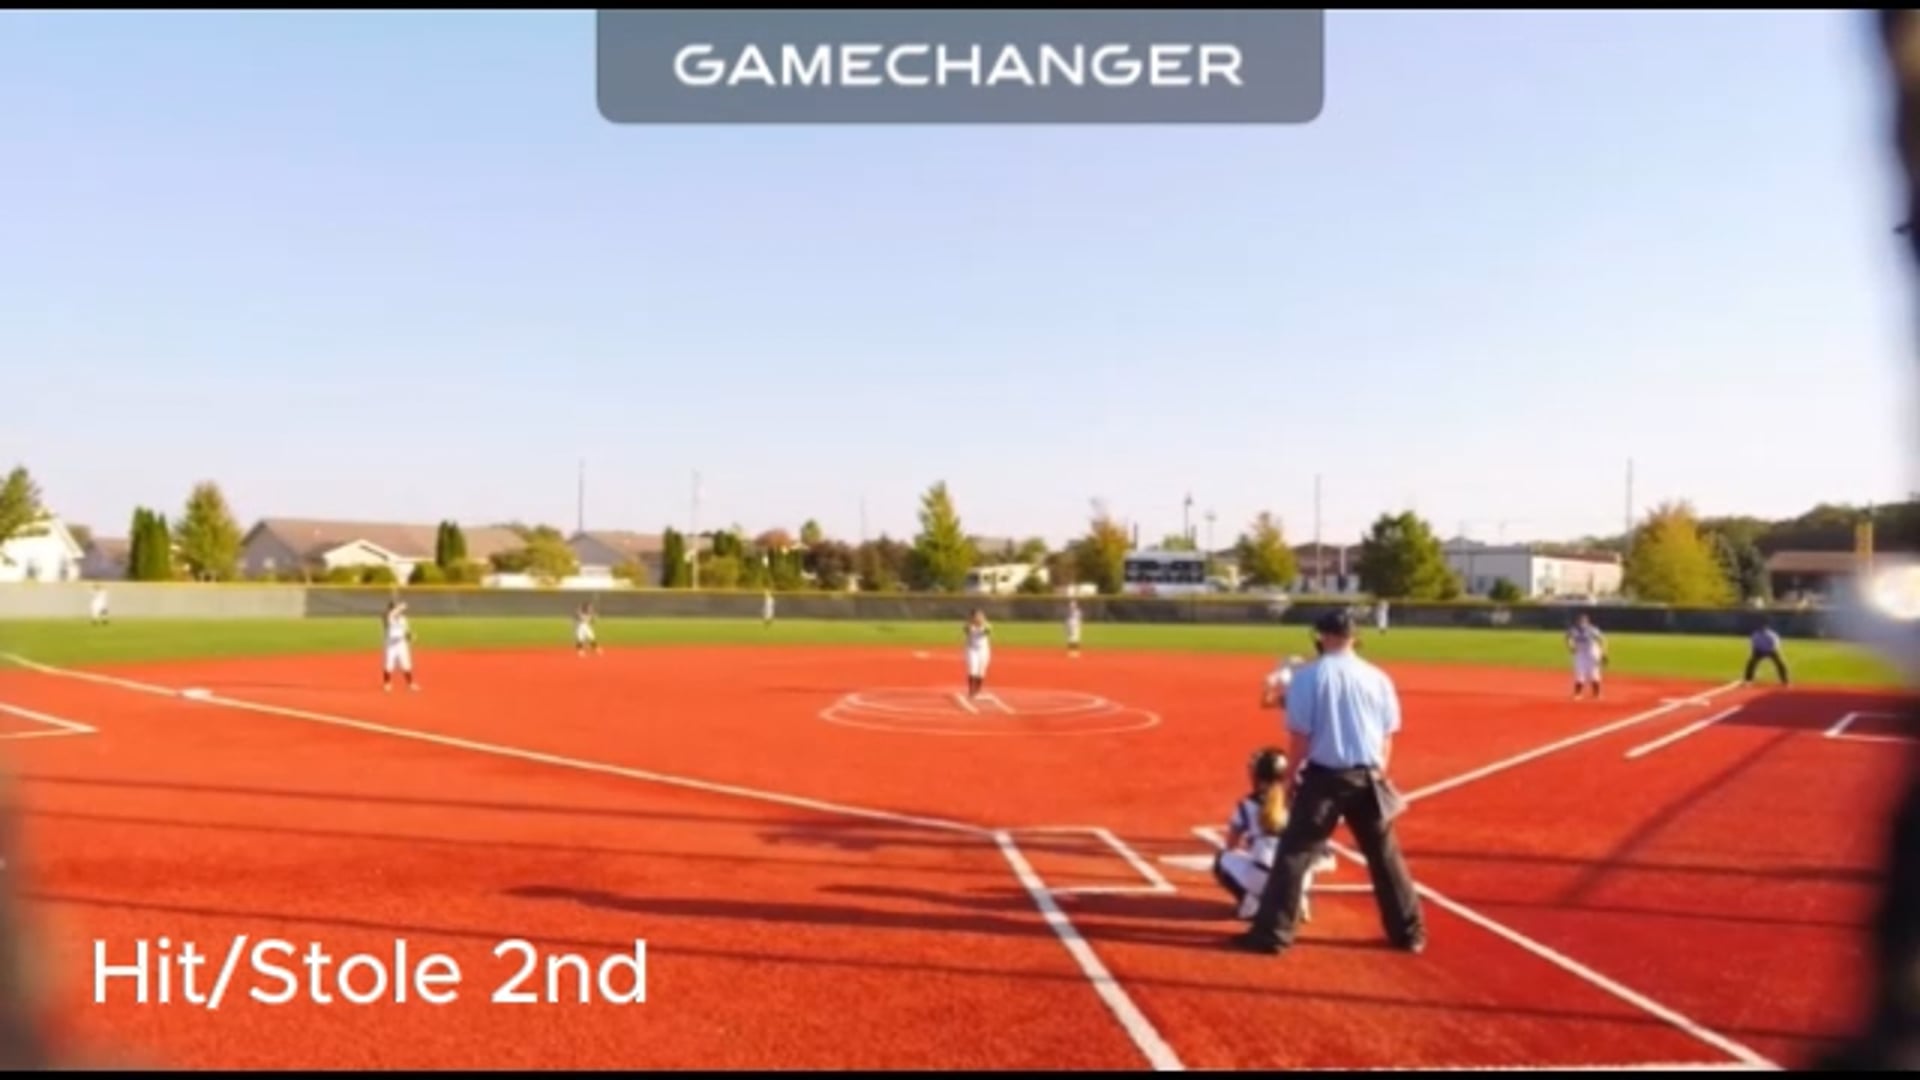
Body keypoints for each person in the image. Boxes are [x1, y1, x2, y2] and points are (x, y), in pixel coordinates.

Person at [1233, 610, 1424, 956]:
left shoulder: (1308, 677)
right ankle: (1409, 933)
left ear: (1322, 635)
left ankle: (1273, 934)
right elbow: (1387, 736)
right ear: (1355, 637)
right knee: (1385, 857)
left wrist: (1289, 780)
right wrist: (1379, 773)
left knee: (1294, 854)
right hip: (1368, 777)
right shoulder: (1378, 677)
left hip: (1324, 778)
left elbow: (1300, 738)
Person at [1215, 748, 1320, 923]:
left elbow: (1231, 845)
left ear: (1258, 776)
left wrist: (1254, 844)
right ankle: (1299, 900)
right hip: (1299, 878)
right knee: (1306, 856)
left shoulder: (1247, 804)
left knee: (1222, 859)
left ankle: (1250, 904)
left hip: (1263, 880)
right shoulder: (1302, 801)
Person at [381, 599, 419, 692]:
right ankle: (387, 684)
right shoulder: (388, 617)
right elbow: (391, 615)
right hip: (391, 645)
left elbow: (406, 631)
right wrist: (401, 606)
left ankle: (410, 684)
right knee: (389, 664)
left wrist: (410, 636)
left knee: (406, 664)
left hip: (402, 644)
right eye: (393, 608)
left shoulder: (403, 619)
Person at [1567, 612, 1607, 699]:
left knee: (1594, 673)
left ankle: (1596, 694)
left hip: (1592, 653)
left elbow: (1602, 639)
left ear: (1588, 621)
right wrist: (1571, 646)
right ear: (1577, 621)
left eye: (1584, 621)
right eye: (1580, 621)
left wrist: (1603, 653)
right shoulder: (1573, 630)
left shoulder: (1592, 629)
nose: (1582, 622)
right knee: (1580, 673)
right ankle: (1577, 694)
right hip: (1580, 653)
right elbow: (1569, 638)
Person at [1743, 619, 1790, 687]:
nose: (1762, 628)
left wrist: (1770, 651)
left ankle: (1785, 681)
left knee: (1780, 663)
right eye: (1760, 627)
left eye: (1763, 627)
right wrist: (1756, 651)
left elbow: (1775, 644)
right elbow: (1754, 644)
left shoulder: (1771, 635)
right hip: (1759, 651)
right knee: (1751, 663)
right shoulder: (1756, 634)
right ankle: (1748, 680)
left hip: (1771, 650)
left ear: (1766, 628)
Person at [963, 608, 992, 700]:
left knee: (981, 671)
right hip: (971, 649)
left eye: (980, 616)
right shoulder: (969, 625)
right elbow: (966, 630)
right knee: (972, 669)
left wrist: (981, 623)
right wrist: (972, 623)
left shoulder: (987, 625)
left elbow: (986, 631)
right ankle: (971, 691)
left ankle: (977, 690)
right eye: (976, 616)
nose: (979, 617)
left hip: (983, 650)